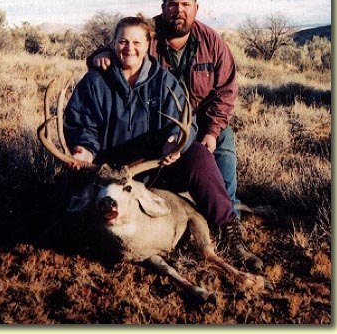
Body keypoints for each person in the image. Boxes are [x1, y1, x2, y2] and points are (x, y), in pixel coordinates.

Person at [64, 16, 263, 272]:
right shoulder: (94, 82)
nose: (129, 48)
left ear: (148, 45)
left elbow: (185, 121)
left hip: (156, 167)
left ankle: (229, 231)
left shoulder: (163, 81)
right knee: (67, 206)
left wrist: (174, 142)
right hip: (110, 174)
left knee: (199, 156)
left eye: (136, 42)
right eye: (123, 41)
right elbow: (82, 122)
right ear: (113, 44)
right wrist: (84, 149)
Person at [88, 0, 241, 218]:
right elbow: (124, 46)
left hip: (200, 120)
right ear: (163, 8)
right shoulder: (148, 32)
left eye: (185, 4)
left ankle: (229, 216)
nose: (178, 10)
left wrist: (211, 132)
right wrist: (101, 54)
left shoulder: (213, 42)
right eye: (172, 4)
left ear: (196, 8)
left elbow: (226, 90)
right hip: (161, 122)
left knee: (223, 141)